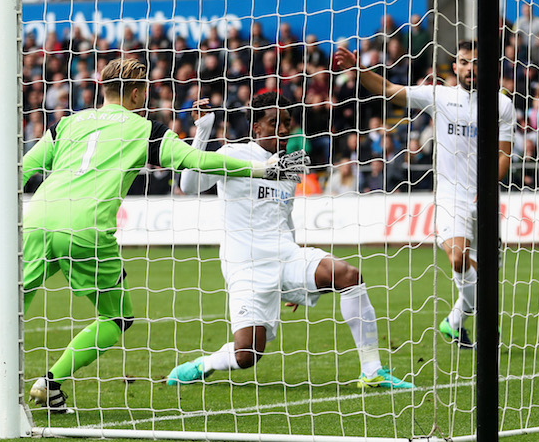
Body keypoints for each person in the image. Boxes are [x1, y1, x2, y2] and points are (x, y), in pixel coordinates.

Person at [0, 58, 308, 417]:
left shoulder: (68, 123)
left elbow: (20, 170)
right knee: (117, 318)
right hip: (87, 227)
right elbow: (196, 161)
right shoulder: (146, 129)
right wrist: (263, 170)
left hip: (38, 219)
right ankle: (51, 382)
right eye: (144, 92)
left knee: (4, 313)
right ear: (134, 92)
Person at [167, 94, 412, 389]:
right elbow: (188, 185)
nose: (283, 130)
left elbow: (285, 217)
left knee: (348, 275)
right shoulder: (233, 152)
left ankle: (372, 371)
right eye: (275, 123)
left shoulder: (291, 165)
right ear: (256, 127)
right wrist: (203, 129)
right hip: (246, 267)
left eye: (287, 123)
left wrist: (293, 279)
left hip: (286, 256)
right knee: (247, 354)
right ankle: (204, 364)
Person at [334, 41, 514, 348]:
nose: (470, 68)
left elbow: (504, 155)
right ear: (455, 68)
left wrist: (486, 191)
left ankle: (454, 323)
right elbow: (389, 89)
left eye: (476, 62)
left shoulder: (501, 104)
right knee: (458, 258)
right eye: (464, 62)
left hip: (484, 199)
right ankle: (487, 322)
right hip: (450, 196)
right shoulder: (440, 96)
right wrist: (358, 69)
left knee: (484, 275)